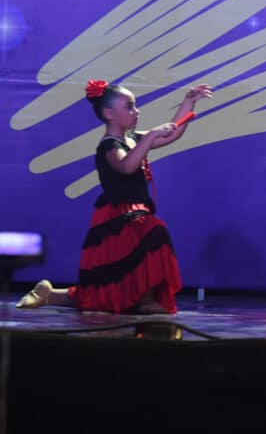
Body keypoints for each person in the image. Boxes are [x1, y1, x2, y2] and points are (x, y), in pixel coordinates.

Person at [16, 79, 213, 314]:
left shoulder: (134, 138)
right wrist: (150, 137)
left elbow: (172, 133)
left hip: (136, 212)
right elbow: (126, 166)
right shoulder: (109, 145)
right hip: (119, 215)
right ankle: (146, 299)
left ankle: (50, 294)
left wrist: (189, 102)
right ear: (109, 113)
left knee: (114, 281)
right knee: (154, 234)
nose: (136, 111)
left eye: (135, 105)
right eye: (129, 107)